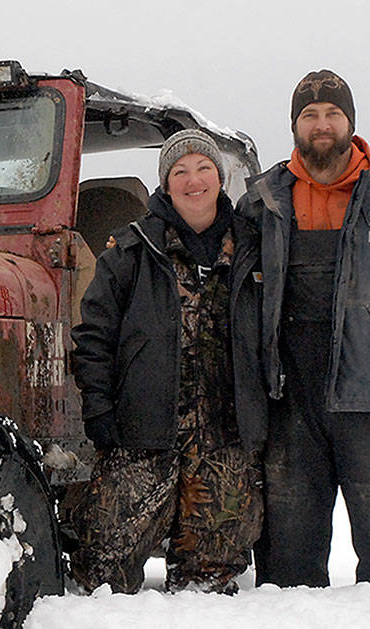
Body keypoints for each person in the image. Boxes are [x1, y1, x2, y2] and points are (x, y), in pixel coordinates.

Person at [238, 70, 370, 600]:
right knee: (287, 566)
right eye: (309, 115)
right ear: (294, 125)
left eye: (332, 113)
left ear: (350, 122)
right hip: (290, 403)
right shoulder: (261, 203)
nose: (321, 124)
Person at [71, 129, 266, 595]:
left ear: (219, 178)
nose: (192, 180)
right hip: (141, 434)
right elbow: (93, 338)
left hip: (226, 438)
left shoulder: (257, 249)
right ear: (165, 184)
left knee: (211, 582)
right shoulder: (131, 251)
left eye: (203, 168)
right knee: (102, 578)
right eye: (180, 171)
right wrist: (99, 412)